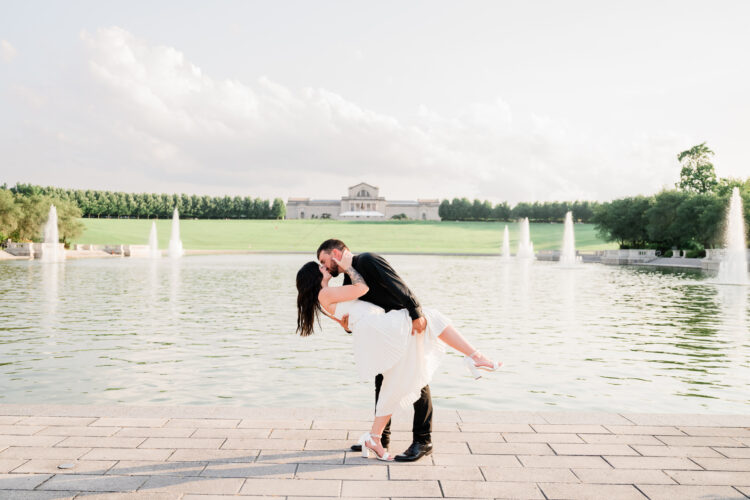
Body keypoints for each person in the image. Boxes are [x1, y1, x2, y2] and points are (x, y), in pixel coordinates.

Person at [296, 245, 500, 461]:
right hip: (385, 330)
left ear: (335, 253)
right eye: (319, 266)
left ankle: (415, 440)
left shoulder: (367, 260)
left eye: (323, 260)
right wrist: (348, 322)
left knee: (411, 377)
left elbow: (398, 286)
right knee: (400, 376)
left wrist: (415, 313)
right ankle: (379, 438)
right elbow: (357, 300)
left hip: (394, 326)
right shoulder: (338, 285)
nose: (324, 266)